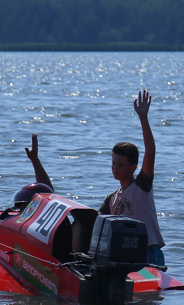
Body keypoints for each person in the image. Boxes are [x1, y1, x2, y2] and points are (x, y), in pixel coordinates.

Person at [25, 89, 166, 266]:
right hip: (124, 258)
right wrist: (36, 161)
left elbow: (150, 153)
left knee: (150, 294)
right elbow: (92, 225)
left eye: (120, 165)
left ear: (133, 168)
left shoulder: (141, 186)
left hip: (148, 253)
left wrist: (143, 118)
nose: (115, 168)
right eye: (113, 163)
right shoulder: (112, 199)